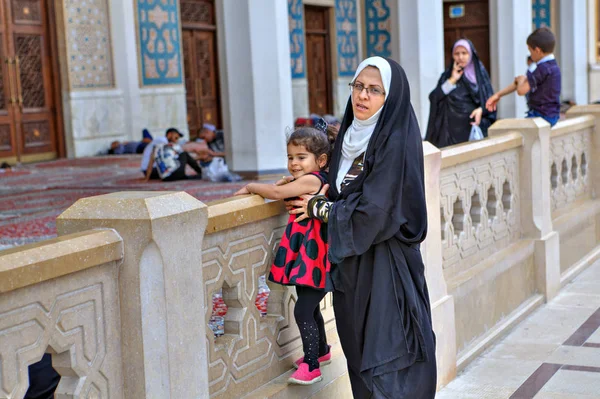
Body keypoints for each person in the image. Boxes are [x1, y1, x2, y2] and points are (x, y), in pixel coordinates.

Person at [287, 57, 437, 398]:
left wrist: (321, 208)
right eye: (358, 86)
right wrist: (307, 187)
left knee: (388, 362)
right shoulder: (349, 136)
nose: (363, 96)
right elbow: (340, 187)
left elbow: (376, 210)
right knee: (357, 355)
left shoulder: (394, 141)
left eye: (374, 90)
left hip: (386, 268)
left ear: (390, 97)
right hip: (351, 269)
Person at [234, 120, 337, 385]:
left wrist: (252, 187)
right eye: (290, 157)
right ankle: (322, 352)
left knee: (302, 311)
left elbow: (277, 192)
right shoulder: (310, 179)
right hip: (310, 259)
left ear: (321, 160)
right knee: (308, 306)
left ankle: (312, 366)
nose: (294, 163)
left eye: (302, 157)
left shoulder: (313, 180)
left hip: (317, 261)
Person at [425, 39, 496, 148]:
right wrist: (452, 79)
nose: (460, 57)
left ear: (471, 54)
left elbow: (490, 102)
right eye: (457, 53)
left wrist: (481, 110)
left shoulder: (480, 77)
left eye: (464, 53)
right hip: (447, 135)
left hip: (470, 132)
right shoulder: (447, 76)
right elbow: (434, 97)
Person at [486, 27, 561, 126]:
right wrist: (498, 95)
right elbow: (520, 83)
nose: (530, 55)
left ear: (537, 50)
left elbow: (521, 90)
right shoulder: (552, 66)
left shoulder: (542, 68)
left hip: (542, 115)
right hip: (552, 115)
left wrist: (521, 81)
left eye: (530, 51)